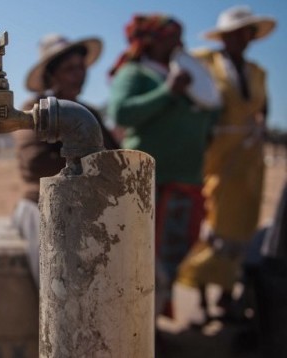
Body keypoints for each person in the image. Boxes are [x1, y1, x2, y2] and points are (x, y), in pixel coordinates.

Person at [106, 14, 218, 317]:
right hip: (148, 187)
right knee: (141, 265)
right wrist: (167, 91)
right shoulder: (136, 73)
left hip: (184, 184)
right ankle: (139, 332)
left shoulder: (187, 76)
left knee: (168, 262)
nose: (180, 43)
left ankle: (150, 329)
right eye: (172, 37)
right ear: (152, 41)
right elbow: (122, 112)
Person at [176, 6, 276, 320]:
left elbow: (263, 109)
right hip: (216, 157)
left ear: (250, 36)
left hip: (250, 163)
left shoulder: (258, 73)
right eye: (234, 33)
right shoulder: (207, 62)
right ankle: (203, 300)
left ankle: (227, 296)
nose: (240, 39)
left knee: (242, 228)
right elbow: (194, 99)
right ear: (224, 37)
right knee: (212, 226)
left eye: (245, 33)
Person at [12, 34, 119, 286]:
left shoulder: (88, 113)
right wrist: (92, 163)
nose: (79, 74)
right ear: (51, 76)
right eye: (70, 68)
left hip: (90, 205)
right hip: (42, 203)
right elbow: (34, 163)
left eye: (81, 67)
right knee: (58, 276)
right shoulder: (35, 108)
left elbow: (116, 155)